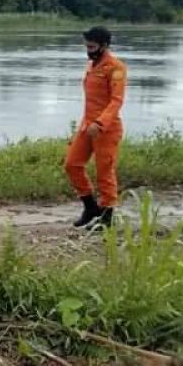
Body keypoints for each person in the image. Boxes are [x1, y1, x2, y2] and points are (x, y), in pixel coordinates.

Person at [64, 26, 127, 230]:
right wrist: (88, 124)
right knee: (72, 164)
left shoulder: (116, 68)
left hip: (106, 128)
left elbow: (116, 101)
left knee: (104, 172)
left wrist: (100, 123)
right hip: (86, 126)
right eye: (86, 46)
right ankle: (90, 207)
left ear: (104, 45)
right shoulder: (91, 64)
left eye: (91, 46)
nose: (88, 50)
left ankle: (107, 217)